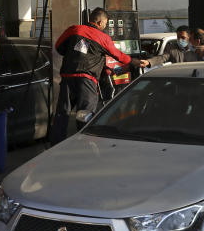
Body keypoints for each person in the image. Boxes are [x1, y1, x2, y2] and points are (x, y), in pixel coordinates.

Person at [49, 8, 148, 144]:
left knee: (62, 112)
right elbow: (119, 56)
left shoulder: (74, 29)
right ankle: (84, 145)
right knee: (85, 114)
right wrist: (134, 61)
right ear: (100, 22)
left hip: (68, 77)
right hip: (87, 80)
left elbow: (59, 46)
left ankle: (55, 144)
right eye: (106, 24)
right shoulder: (103, 38)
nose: (106, 26)